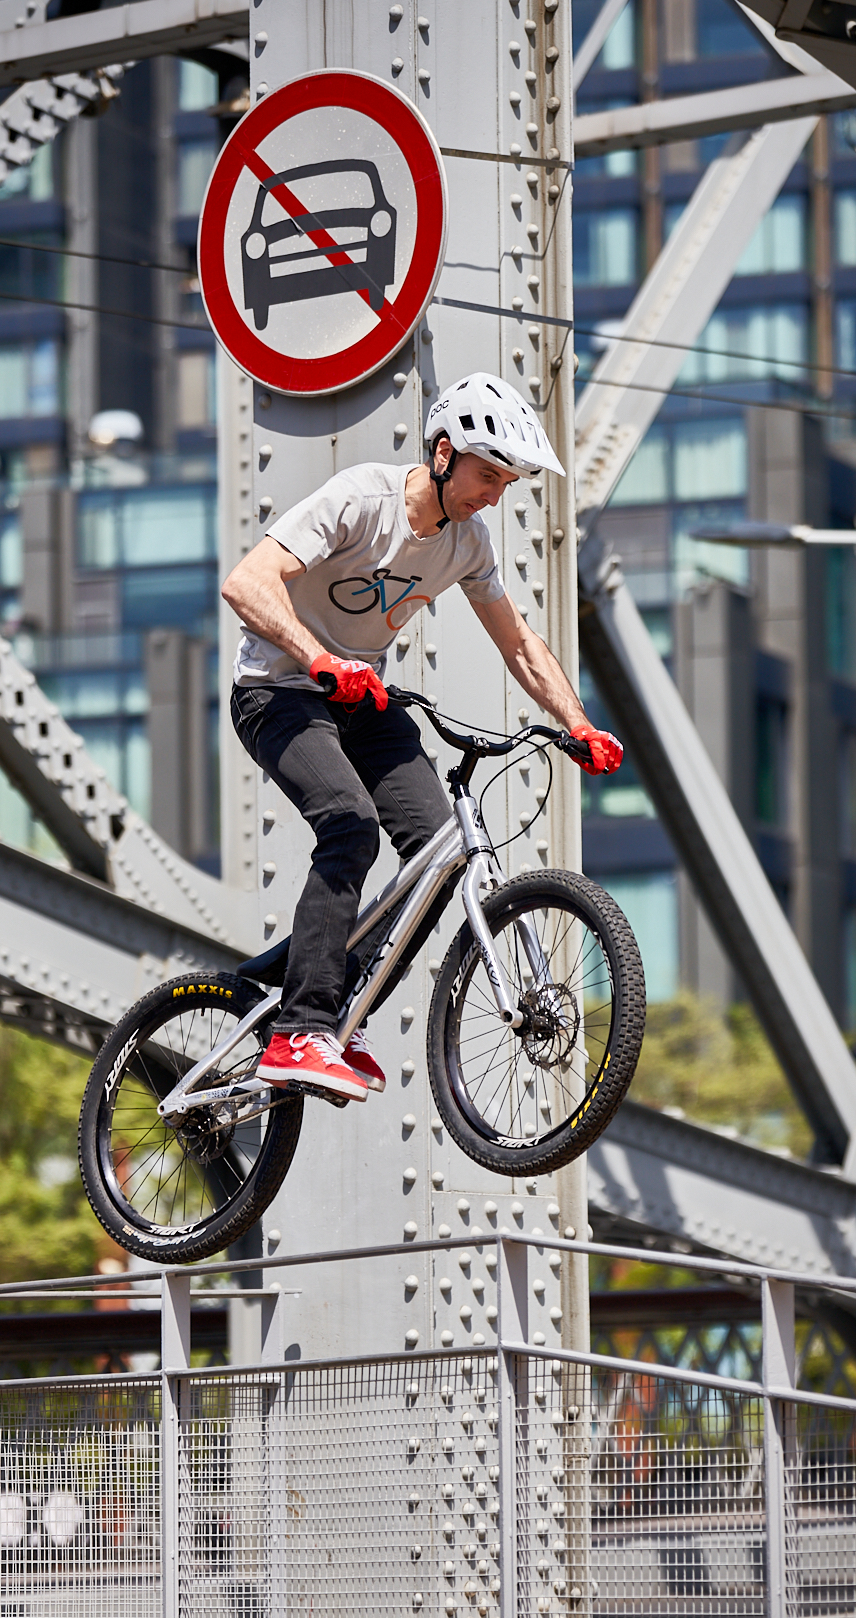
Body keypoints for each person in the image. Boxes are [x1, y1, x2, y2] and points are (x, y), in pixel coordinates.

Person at [222, 372, 624, 1102]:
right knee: (349, 823)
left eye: (505, 483)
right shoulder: (360, 499)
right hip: (277, 692)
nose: (493, 496)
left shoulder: (467, 542)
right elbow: (247, 583)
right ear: (442, 453)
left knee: (440, 855)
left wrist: (579, 724)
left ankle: (338, 1007)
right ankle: (299, 1031)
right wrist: (318, 659)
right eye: (486, 476)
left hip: (361, 700)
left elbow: (519, 643)